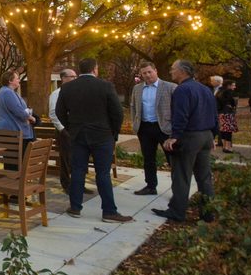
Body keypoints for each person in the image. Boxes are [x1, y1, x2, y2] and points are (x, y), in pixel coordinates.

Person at [55, 58, 132, 223]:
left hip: (78, 135)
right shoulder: (105, 86)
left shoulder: (67, 88)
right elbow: (117, 113)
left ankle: (75, 207)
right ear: (95, 69)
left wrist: (71, 128)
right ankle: (109, 211)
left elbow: (59, 112)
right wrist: (113, 132)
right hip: (102, 136)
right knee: (103, 173)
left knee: (77, 171)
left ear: (80, 69)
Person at [153, 60, 217, 223]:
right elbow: (214, 114)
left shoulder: (182, 90)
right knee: (204, 177)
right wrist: (213, 136)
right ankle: (208, 212)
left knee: (181, 175)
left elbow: (180, 115)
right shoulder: (205, 89)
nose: (171, 71)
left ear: (183, 71)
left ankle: (177, 211)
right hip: (206, 136)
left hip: (189, 137)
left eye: (173, 69)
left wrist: (175, 136)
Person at [129, 61, 176, 195]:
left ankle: (177, 188)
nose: (147, 75)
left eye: (150, 72)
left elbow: (177, 109)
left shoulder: (170, 87)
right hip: (144, 128)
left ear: (156, 71)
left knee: (172, 160)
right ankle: (150, 186)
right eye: (144, 73)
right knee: (148, 159)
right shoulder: (137, 88)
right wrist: (135, 123)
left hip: (164, 128)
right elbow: (133, 107)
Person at [48, 69, 78, 191]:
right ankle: (66, 184)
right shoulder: (56, 94)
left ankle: (78, 183)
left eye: (76, 76)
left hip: (77, 129)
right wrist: (63, 130)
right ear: (63, 78)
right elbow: (53, 114)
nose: (75, 78)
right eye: (72, 76)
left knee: (78, 158)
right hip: (64, 131)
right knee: (66, 159)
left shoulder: (78, 92)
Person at [0, 71, 34, 145]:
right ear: (10, 80)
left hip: (7, 130)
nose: (19, 80)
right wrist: (30, 117)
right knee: (14, 156)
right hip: (11, 131)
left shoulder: (5, 91)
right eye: (17, 78)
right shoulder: (7, 92)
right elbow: (18, 111)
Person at [216, 80, 238, 154]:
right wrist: (232, 105)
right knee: (228, 131)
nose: (234, 87)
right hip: (228, 113)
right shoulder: (228, 92)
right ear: (228, 85)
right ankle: (228, 147)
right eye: (233, 85)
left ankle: (224, 146)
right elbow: (232, 102)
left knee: (223, 130)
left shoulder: (219, 92)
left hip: (221, 113)